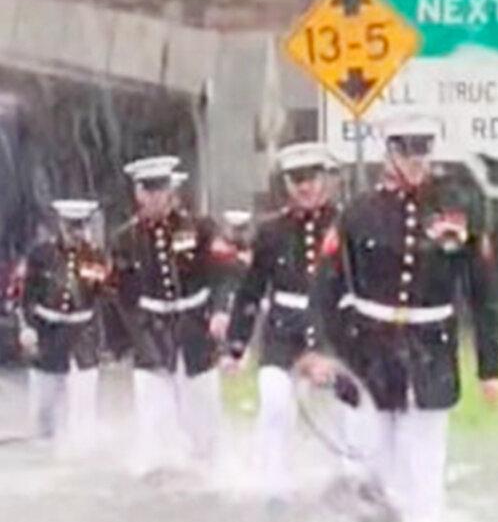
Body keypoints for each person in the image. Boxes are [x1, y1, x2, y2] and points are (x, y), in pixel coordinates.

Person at [306, 120, 498, 522]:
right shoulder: (358, 212)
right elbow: (326, 286)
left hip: (430, 348)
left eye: (422, 153)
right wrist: (322, 350)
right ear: (390, 155)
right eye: (406, 153)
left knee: (424, 462)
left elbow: (482, 294)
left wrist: (491, 366)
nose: (415, 163)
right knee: (366, 460)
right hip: (367, 350)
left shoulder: (458, 208)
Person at [224, 143, 340, 496]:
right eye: (296, 179)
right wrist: (236, 345)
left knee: (345, 413)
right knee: (275, 400)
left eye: (312, 178)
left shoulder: (346, 224)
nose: (305, 187)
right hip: (282, 330)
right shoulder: (272, 231)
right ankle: (274, 482)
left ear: (326, 180)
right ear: (287, 184)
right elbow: (251, 289)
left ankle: (346, 482)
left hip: (333, 329)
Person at [109, 156, 232, 478]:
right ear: (137, 194)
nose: (154, 197)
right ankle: (161, 481)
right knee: (154, 414)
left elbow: (222, 273)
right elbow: (119, 296)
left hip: (195, 326)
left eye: (160, 189)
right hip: (151, 330)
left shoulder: (201, 227)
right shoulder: (125, 239)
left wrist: (220, 311)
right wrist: (122, 343)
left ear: (172, 190)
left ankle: (208, 474)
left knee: (203, 413)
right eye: (147, 190)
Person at [18, 199, 108, 453]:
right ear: (60, 225)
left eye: (80, 227)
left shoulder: (93, 256)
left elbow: (102, 296)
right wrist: (27, 327)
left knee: (83, 399)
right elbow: (25, 297)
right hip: (47, 333)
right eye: (71, 227)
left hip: (82, 335)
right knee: (44, 404)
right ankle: (44, 451)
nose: (76, 233)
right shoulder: (41, 255)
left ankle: (82, 450)